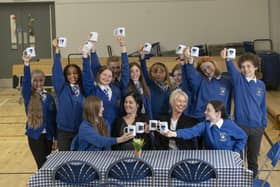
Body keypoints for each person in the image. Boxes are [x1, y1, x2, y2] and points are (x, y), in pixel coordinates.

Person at [221, 49, 267, 177]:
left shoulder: (261, 85)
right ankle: (239, 181)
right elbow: (231, 67)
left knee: (253, 160)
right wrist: (227, 59)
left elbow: (263, 106)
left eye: (249, 66)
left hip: (257, 128)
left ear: (255, 67)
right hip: (240, 127)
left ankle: (252, 181)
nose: (246, 69)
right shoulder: (238, 81)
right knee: (239, 158)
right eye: (242, 67)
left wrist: (263, 124)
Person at [162, 100, 247, 155]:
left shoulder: (229, 125)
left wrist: (237, 151)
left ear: (217, 113)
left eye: (208, 110)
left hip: (228, 159)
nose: (205, 112)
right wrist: (174, 133)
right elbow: (191, 132)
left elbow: (243, 137)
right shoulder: (205, 124)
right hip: (210, 159)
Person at [22, 54, 57, 169]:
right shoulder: (29, 95)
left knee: (49, 164)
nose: (38, 83)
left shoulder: (49, 97)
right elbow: (26, 82)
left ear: (44, 80)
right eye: (35, 81)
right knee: (42, 165)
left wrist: (55, 138)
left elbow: (54, 118)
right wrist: (26, 64)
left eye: (41, 80)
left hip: (49, 136)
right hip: (35, 136)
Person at [82, 40, 122, 132]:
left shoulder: (116, 90)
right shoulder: (93, 90)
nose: (106, 78)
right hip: (97, 128)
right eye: (104, 75)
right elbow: (87, 75)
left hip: (114, 127)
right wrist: (85, 57)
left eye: (109, 76)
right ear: (99, 75)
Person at [182, 48, 232, 122]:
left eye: (208, 67)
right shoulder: (200, 80)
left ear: (214, 65)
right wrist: (190, 61)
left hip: (220, 118)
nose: (207, 71)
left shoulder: (226, 81)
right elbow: (192, 75)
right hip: (201, 117)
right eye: (203, 70)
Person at [52, 38, 84, 151]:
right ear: (65, 76)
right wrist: (57, 51)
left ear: (79, 74)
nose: (72, 76)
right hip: (64, 132)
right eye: (69, 74)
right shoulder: (62, 88)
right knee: (65, 159)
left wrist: (86, 55)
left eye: (75, 73)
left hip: (81, 130)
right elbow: (56, 72)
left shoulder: (84, 89)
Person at [118, 37, 153, 119]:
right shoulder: (126, 85)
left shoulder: (144, 86)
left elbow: (149, 108)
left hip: (144, 118)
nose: (135, 74)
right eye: (131, 71)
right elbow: (125, 68)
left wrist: (150, 122)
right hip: (131, 119)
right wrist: (123, 48)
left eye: (137, 71)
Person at [139, 46, 173, 119]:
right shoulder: (150, 84)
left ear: (166, 73)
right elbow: (144, 71)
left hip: (166, 119)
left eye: (161, 72)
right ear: (151, 73)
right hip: (152, 119)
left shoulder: (170, 88)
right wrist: (142, 58)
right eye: (155, 72)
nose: (158, 74)